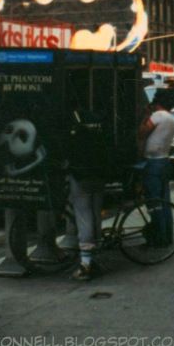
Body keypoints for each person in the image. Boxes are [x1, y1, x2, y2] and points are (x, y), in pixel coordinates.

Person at [67, 107, 108, 281]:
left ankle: (86, 262)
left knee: (84, 216)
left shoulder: (77, 136)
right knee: (95, 214)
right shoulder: (100, 136)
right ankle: (95, 255)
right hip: (98, 177)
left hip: (81, 178)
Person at [138, 89, 174, 245]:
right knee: (165, 201)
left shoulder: (157, 116)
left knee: (154, 202)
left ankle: (158, 237)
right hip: (164, 160)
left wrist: (145, 117)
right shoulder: (172, 118)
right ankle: (167, 235)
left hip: (153, 162)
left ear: (157, 102)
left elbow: (142, 133)